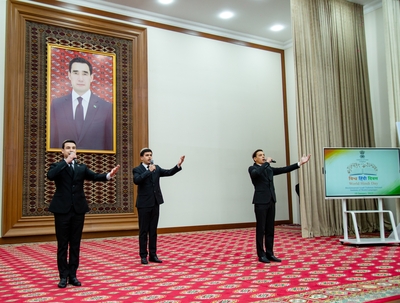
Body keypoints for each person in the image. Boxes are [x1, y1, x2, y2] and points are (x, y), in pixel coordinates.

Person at [47, 139, 120, 288]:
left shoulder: (81, 167)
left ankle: (73, 275)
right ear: (62, 151)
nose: (71, 150)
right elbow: (50, 175)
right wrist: (66, 161)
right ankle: (63, 276)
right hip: (61, 210)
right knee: (62, 245)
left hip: (78, 210)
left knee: (75, 244)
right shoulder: (57, 166)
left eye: (73, 148)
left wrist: (109, 175)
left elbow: (94, 176)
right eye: (68, 148)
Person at [248, 149, 310, 263]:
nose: (263, 156)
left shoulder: (268, 169)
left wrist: (300, 163)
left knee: (270, 229)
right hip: (260, 202)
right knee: (261, 229)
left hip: (271, 200)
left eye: (264, 155)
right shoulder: (253, 168)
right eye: (260, 155)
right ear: (254, 158)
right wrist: (267, 163)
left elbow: (283, 169)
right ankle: (261, 255)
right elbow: (256, 174)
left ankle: (270, 253)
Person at [132, 148, 185, 265]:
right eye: (147, 155)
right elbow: (137, 180)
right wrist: (148, 171)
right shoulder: (137, 169)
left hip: (155, 203)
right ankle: (143, 255)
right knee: (143, 231)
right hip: (144, 205)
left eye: (150, 155)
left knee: (153, 231)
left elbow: (168, 172)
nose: (149, 157)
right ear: (141, 157)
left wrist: (178, 165)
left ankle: (153, 254)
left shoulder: (157, 168)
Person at [50, 57, 113, 151]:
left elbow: (109, 144)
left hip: (96, 162)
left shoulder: (106, 108)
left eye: (85, 74)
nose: (80, 79)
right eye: (76, 73)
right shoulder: (57, 105)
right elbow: (53, 140)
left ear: (91, 77)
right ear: (69, 75)